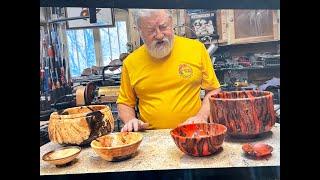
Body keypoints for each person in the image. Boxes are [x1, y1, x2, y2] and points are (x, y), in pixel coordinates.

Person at [117, 9, 221, 132]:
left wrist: (201, 116)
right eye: (150, 30)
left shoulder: (196, 49)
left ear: (171, 22)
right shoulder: (131, 62)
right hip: (151, 137)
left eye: (163, 27)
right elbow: (124, 102)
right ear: (139, 30)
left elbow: (213, 89)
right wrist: (130, 120)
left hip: (194, 132)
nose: (159, 35)